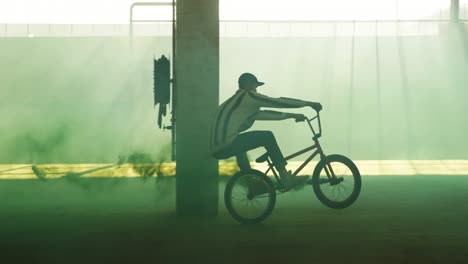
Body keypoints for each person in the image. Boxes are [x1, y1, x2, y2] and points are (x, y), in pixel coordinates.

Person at [210, 73, 322, 189]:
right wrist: (309, 104)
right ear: (248, 84)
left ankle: (252, 185)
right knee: (267, 136)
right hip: (227, 143)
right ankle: (285, 177)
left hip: (217, 148)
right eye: (255, 86)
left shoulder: (236, 103)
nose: (256, 90)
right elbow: (279, 102)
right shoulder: (248, 96)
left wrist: (293, 115)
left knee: (241, 151)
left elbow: (266, 115)